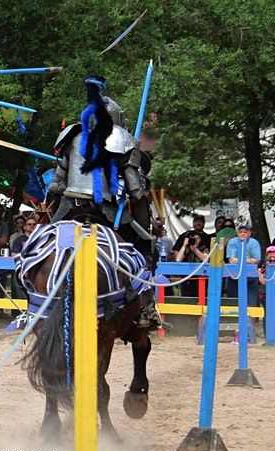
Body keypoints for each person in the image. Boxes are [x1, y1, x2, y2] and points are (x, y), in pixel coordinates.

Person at [47, 75, 158, 329]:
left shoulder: (72, 135)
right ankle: (147, 310)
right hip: (103, 210)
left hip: (68, 206)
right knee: (145, 246)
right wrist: (136, 175)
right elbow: (136, 193)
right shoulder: (121, 140)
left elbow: (56, 184)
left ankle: (32, 304)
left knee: (38, 244)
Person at [225, 224, 262, 343]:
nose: (242, 234)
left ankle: (249, 332)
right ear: (237, 233)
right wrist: (248, 260)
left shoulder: (254, 243)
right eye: (240, 232)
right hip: (234, 278)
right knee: (234, 304)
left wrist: (240, 260)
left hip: (250, 279)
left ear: (249, 234)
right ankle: (235, 331)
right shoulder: (232, 242)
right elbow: (231, 259)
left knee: (251, 306)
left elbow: (257, 260)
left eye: (245, 232)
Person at [174, 231, 209, 297]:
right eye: (193, 239)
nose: (195, 240)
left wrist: (195, 250)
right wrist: (184, 245)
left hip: (200, 276)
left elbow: (206, 259)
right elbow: (178, 260)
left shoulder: (203, 248)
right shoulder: (187, 248)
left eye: (197, 239)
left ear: (200, 239)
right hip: (187, 276)